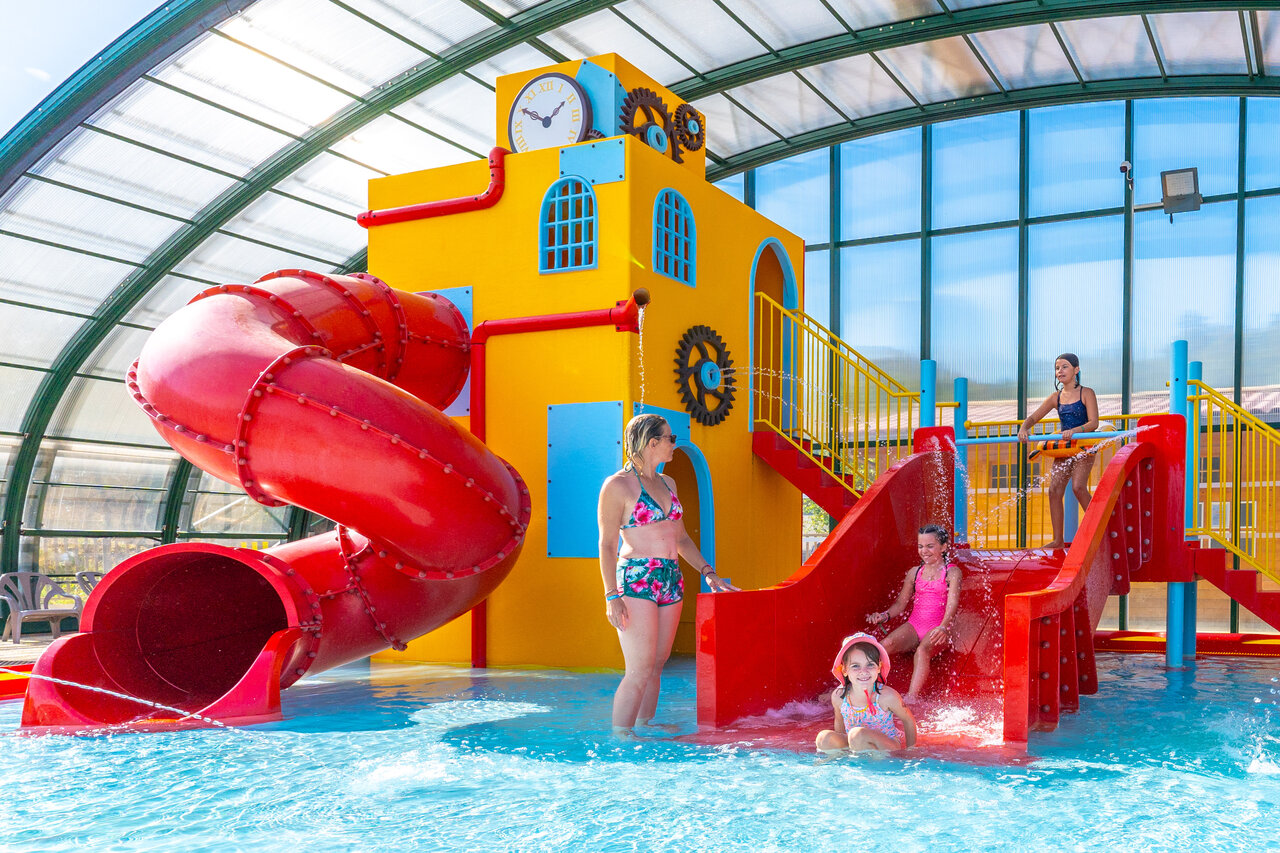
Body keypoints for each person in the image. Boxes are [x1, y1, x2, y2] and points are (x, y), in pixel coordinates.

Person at [597, 413, 737, 735]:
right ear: (652, 442)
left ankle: (645, 724)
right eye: (670, 439)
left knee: (658, 662)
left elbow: (682, 538)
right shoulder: (618, 486)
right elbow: (606, 545)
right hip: (637, 578)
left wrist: (708, 572)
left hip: (671, 578)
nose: (675, 444)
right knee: (639, 668)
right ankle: (621, 735)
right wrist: (611, 596)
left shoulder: (668, 483)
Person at [867, 524, 962, 703]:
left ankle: (911, 699)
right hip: (915, 625)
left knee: (922, 650)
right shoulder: (915, 572)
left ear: (943, 547)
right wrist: (884, 615)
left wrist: (943, 627)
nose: (924, 551)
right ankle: (851, 689)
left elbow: (953, 604)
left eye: (930, 546)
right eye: (920, 546)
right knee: (883, 645)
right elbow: (900, 604)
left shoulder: (952, 572)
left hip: (941, 627)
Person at [1016, 352, 1100, 549]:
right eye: (1057, 368)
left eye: (1064, 367)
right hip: (1065, 448)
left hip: (1083, 446)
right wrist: (1024, 428)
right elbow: (1034, 417)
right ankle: (1058, 540)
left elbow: (1094, 422)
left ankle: (1097, 530)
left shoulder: (1087, 393)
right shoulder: (1056, 397)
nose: (1059, 371)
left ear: (1076, 370)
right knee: (1054, 490)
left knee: (1078, 487)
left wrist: (1076, 431)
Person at [815, 632, 916, 752]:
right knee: (823, 738)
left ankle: (872, 763)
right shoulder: (839, 697)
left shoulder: (887, 696)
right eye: (855, 666)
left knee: (857, 734)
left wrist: (911, 751)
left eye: (870, 665)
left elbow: (908, 720)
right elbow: (839, 725)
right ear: (844, 670)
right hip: (855, 743)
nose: (863, 671)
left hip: (886, 747)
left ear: (879, 667)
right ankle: (844, 764)